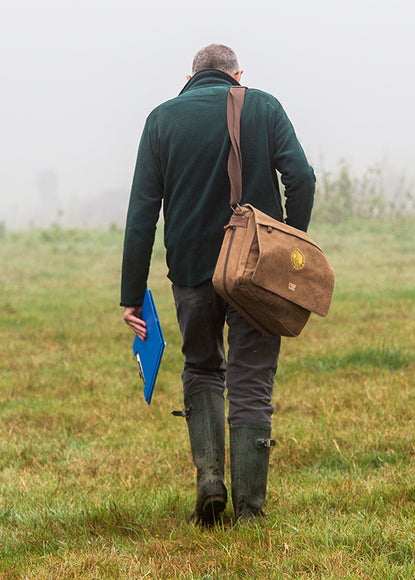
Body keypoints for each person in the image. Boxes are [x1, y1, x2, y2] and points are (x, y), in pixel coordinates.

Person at [120, 44, 315, 525]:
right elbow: (302, 178)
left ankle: (210, 480)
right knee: (251, 382)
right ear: (237, 76)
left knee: (202, 368)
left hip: (189, 271)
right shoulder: (262, 106)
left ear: (190, 76)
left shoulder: (161, 120)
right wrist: (290, 241)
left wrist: (131, 295)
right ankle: (250, 512)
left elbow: (142, 213)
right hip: (255, 273)